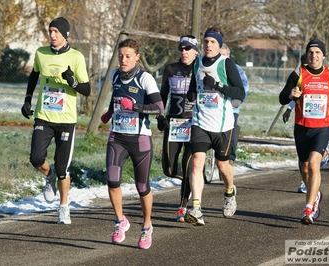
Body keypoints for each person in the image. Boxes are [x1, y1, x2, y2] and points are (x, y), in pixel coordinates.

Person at [21, 17, 91, 225]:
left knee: (63, 168)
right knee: (35, 158)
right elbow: (34, 76)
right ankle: (48, 176)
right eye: (50, 31)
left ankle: (63, 207)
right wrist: (27, 100)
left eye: (56, 32)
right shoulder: (41, 53)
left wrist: (73, 81)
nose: (52, 35)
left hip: (66, 120)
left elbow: (86, 90)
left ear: (65, 35)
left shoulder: (76, 57)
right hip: (44, 116)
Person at [100, 38, 164, 249]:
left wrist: (136, 106)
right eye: (121, 56)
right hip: (117, 136)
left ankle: (146, 226)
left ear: (137, 57)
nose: (123, 60)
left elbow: (159, 108)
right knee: (112, 179)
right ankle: (120, 221)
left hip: (140, 139)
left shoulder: (145, 79)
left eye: (128, 56)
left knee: (142, 187)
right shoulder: (114, 74)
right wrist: (110, 111)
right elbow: (116, 96)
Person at [279, 39, 329, 225]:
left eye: (317, 53)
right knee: (305, 167)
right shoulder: (298, 73)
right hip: (301, 127)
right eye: (310, 53)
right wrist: (291, 95)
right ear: (306, 56)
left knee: (315, 164)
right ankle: (314, 194)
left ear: (323, 55)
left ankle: (308, 208)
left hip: (322, 127)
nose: (313, 56)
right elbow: (282, 98)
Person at [185, 27, 245, 225]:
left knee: (222, 166)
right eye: (206, 41)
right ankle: (196, 207)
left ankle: (229, 191)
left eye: (212, 42)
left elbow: (239, 93)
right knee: (196, 162)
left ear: (219, 45)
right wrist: (190, 97)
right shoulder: (197, 64)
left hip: (222, 124)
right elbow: (194, 88)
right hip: (200, 121)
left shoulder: (226, 63)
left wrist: (218, 85)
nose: (208, 45)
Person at [157, 35, 199, 222]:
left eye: (188, 48)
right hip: (173, 124)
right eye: (181, 49)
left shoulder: (201, 69)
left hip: (194, 124)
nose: (184, 52)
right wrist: (160, 116)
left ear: (196, 51)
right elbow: (162, 95)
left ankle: (183, 206)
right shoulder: (171, 69)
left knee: (188, 165)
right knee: (170, 169)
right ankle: (192, 179)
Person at [282, 54, 328, 194]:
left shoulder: (325, 75)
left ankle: (324, 154)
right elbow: (294, 96)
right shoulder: (299, 76)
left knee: (313, 161)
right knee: (304, 160)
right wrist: (289, 109)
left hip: (321, 123)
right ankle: (305, 181)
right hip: (303, 123)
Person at [219, 43, 249, 179]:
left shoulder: (237, 69)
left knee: (231, 133)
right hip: (214, 108)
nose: (221, 58)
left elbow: (244, 88)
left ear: (229, 56)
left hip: (232, 108)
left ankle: (229, 159)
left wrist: (236, 102)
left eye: (224, 55)